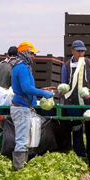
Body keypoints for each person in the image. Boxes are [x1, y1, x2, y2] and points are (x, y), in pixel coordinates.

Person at [10, 41, 53, 170]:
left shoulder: (18, 66)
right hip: (21, 108)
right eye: (31, 53)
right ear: (25, 53)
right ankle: (19, 169)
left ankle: (22, 167)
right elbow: (26, 88)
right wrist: (44, 93)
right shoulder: (22, 67)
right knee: (22, 141)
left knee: (24, 140)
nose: (33, 56)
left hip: (22, 107)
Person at [61, 40, 90, 166]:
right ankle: (80, 156)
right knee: (76, 129)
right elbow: (64, 84)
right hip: (72, 104)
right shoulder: (66, 67)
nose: (81, 53)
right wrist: (62, 91)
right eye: (78, 51)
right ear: (72, 51)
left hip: (89, 104)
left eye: (83, 51)